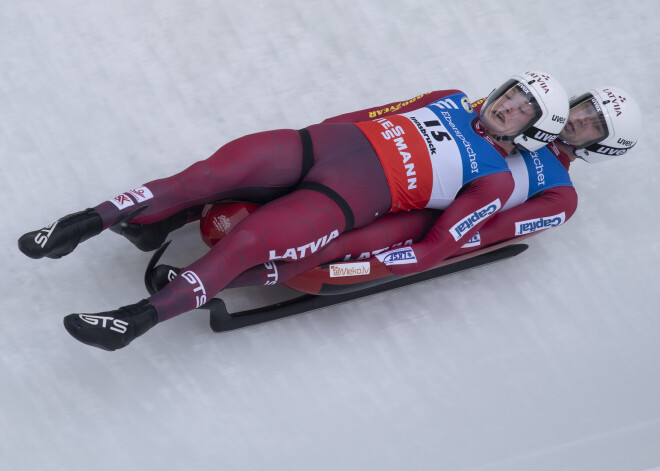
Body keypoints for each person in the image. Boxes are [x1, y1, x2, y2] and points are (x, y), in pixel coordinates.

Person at [18, 71, 569, 351]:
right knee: (201, 177)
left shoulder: (494, 179)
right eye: (512, 93)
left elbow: (436, 245)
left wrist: (363, 264)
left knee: (247, 243)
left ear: (530, 131)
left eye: (523, 110)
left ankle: (133, 321)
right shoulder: (449, 95)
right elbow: (369, 112)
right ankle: (77, 225)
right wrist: (325, 134)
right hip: (312, 146)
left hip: (339, 202)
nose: (509, 105)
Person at [191, 86, 641, 290]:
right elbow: (405, 116)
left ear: (603, 146)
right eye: (586, 107)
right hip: (397, 172)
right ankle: (177, 210)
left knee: (345, 238)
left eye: (595, 123)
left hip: (433, 215)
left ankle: (218, 282)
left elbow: (491, 230)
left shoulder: (562, 196)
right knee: (287, 170)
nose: (581, 119)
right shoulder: (516, 114)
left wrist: (431, 246)